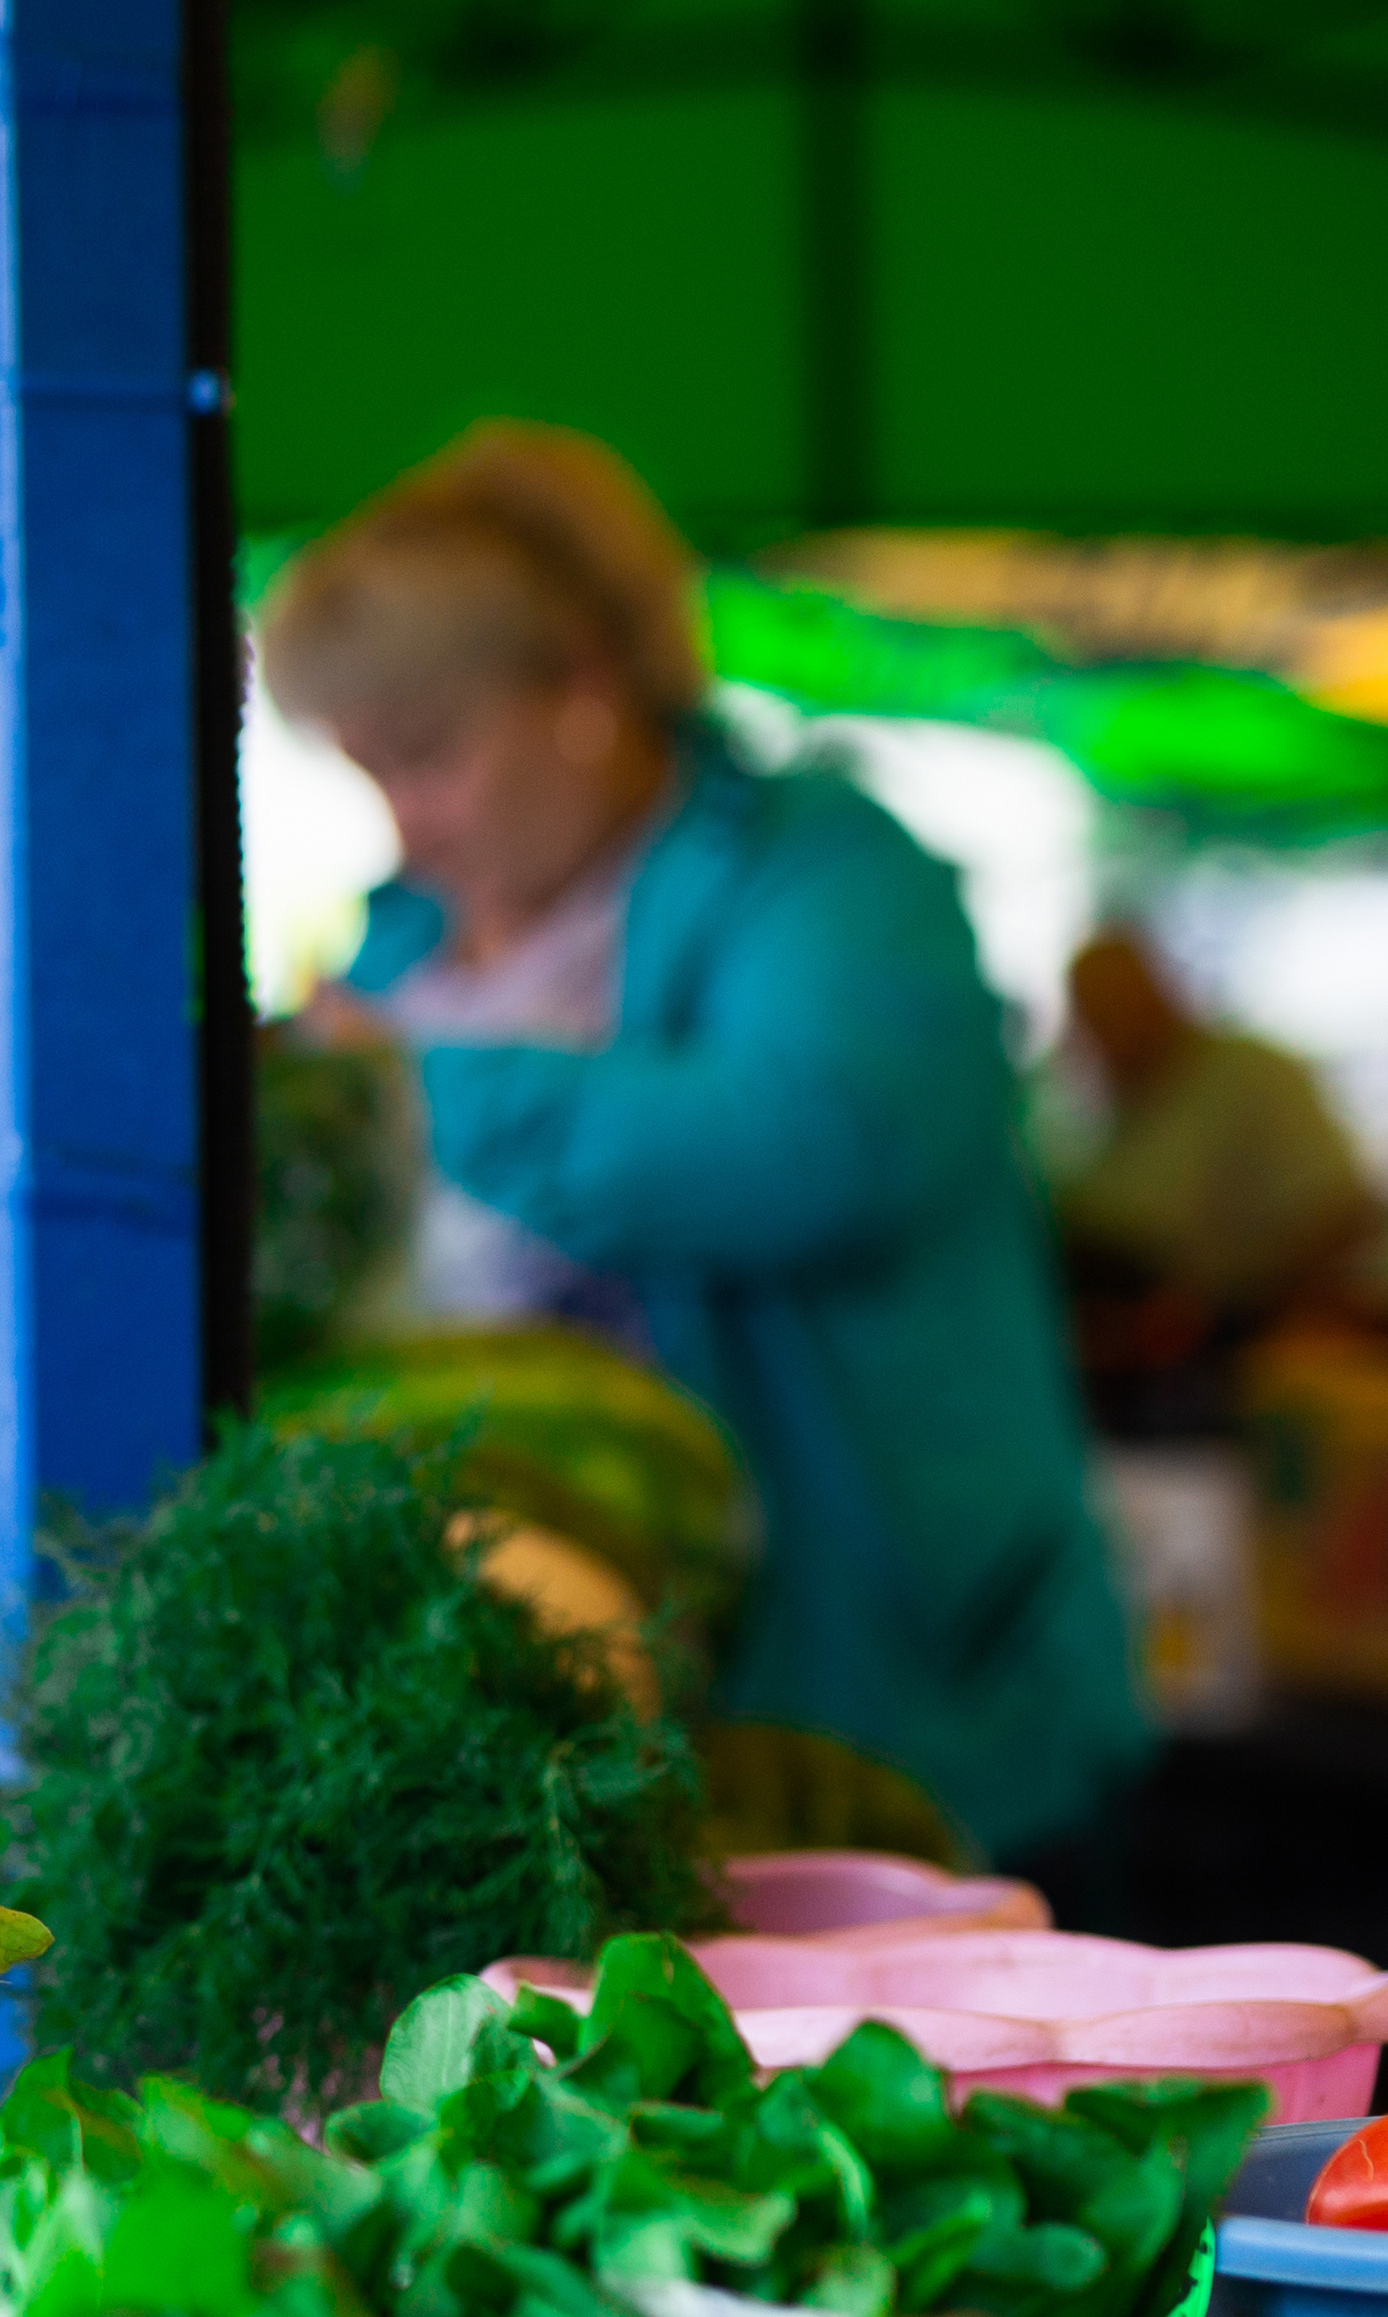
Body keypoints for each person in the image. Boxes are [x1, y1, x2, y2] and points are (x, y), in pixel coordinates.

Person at [262, 423, 1142, 1873]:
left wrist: (410, 1091)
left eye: (428, 758)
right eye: (369, 771)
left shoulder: (827, 868)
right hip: (564, 1713)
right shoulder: (398, 938)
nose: (400, 823)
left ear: (584, 694)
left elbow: (821, 1140)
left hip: (877, 1683)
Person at [1049, 925, 1378, 1415]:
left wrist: (1233, 1319)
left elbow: (1344, 1214)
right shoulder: (1113, 1113)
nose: (1101, 1031)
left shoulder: (1249, 1075)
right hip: (1156, 1370)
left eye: (1113, 1006)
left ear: (1160, 990)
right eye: (1090, 1015)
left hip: (1246, 1360)